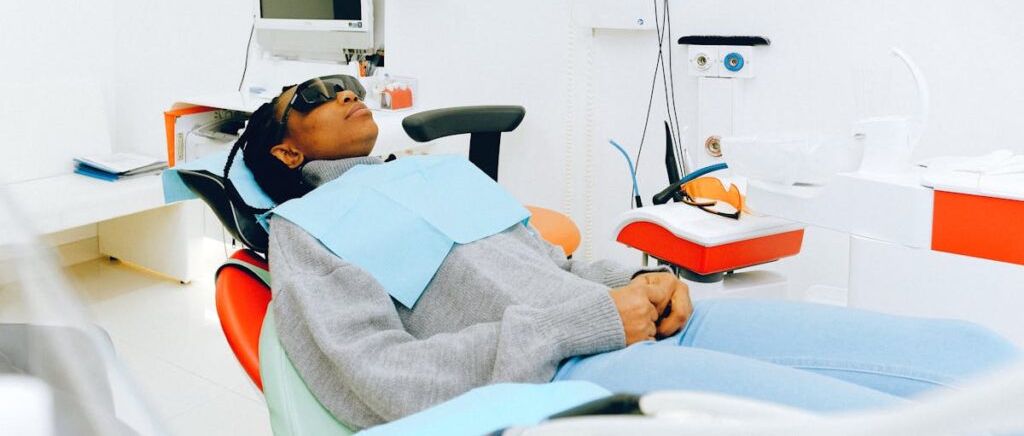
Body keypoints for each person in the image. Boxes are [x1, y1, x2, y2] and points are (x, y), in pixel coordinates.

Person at [228, 76, 1021, 431]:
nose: (341, 91)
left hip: (646, 321)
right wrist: (573, 327)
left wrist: (644, 278)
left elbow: (558, 269)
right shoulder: (307, 230)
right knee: (886, 423)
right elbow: (380, 377)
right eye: (309, 95)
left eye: (345, 81)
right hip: (567, 370)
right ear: (286, 153)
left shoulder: (440, 171)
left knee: (971, 353)